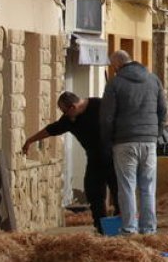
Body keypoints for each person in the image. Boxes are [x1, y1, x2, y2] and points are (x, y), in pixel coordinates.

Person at [23, 92, 117, 233]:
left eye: (65, 111)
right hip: (94, 158)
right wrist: (30, 140)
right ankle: (102, 227)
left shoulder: (100, 105)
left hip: (114, 156)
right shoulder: (69, 119)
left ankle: (123, 223)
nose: (65, 115)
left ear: (73, 107)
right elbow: (52, 129)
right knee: (93, 191)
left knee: (118, 190)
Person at [100, 49, 167, 235]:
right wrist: (156, 133)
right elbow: (163, 110)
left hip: (124, 141)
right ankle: (149, 229)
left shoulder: (115, 83)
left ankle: (129, 229)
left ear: (117, 65)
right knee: (148, 187)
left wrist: (107, 141)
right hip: (149, 141)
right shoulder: (153, 80)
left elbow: (106, 117)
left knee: (127, 186)